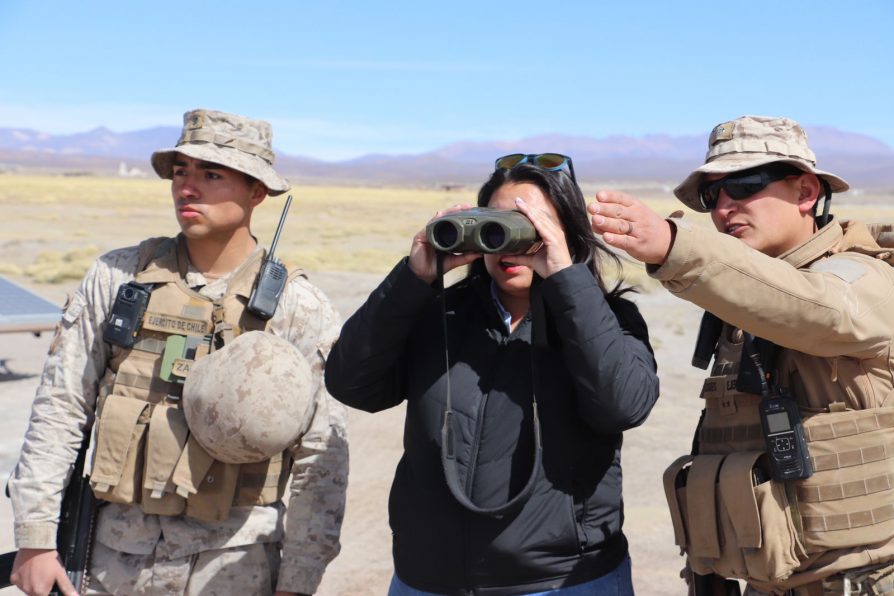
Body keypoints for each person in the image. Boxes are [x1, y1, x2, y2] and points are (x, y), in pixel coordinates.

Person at [8, 108, 348, 596]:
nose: (187, 188)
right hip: (112, 560)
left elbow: (321, 456)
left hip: (233, 566)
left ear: (258, 192)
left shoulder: (297, 307)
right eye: (181, 172)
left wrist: (298, 580)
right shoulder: (120, 277)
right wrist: (36, 540)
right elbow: (61, 406)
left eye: (211, 175)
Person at [325, 153, 659, 595]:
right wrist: (413, 279)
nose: (512, 243)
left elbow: (624, 405)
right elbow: (352, 383)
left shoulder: (610, 320)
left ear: (567, 233)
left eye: (532, 224)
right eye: (497, 224)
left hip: (562, 581)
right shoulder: (440, 316)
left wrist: (567, 281)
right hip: (428, 579)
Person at [589, 115, 894, 595]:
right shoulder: (742, 301)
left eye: (745, 185)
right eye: (712, 196)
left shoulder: (863, 277)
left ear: (806, 192)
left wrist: (675, 247)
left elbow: (821, 311)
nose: (724, 207)